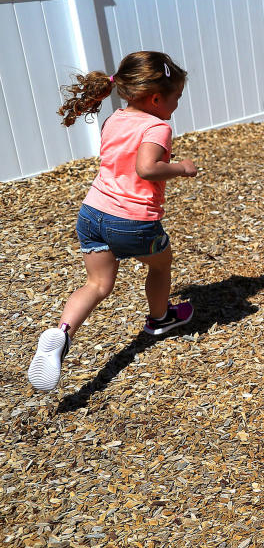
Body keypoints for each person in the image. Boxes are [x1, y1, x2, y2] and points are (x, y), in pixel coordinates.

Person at [26, 51, 197, 392]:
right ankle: (160, 319)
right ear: (156, 98)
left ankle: (62, 334)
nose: (176, 105)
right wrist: (180, 167)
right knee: (161, 265)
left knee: (97, 285)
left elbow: (122, 157)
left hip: (92, 214)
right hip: (131, 222)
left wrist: (162, 159)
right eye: (176, 98)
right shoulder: (158, 127)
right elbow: (145, 168)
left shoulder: (115, 119)